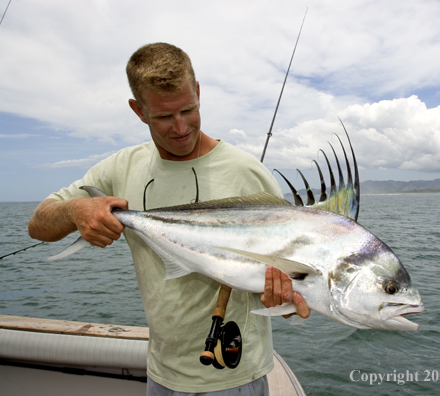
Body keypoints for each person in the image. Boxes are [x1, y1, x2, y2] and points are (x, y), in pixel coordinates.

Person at [28, 42, 309, 395]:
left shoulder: (248, 173)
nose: (180, 127)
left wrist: (283, 298)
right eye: (163, 116)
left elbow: (286, 288)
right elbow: (38, 224)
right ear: (138, 110)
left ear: (199, 93)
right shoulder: (120, 168)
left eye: (188, 110)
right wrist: (75, 210)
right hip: (160, 372)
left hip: (232, 373)